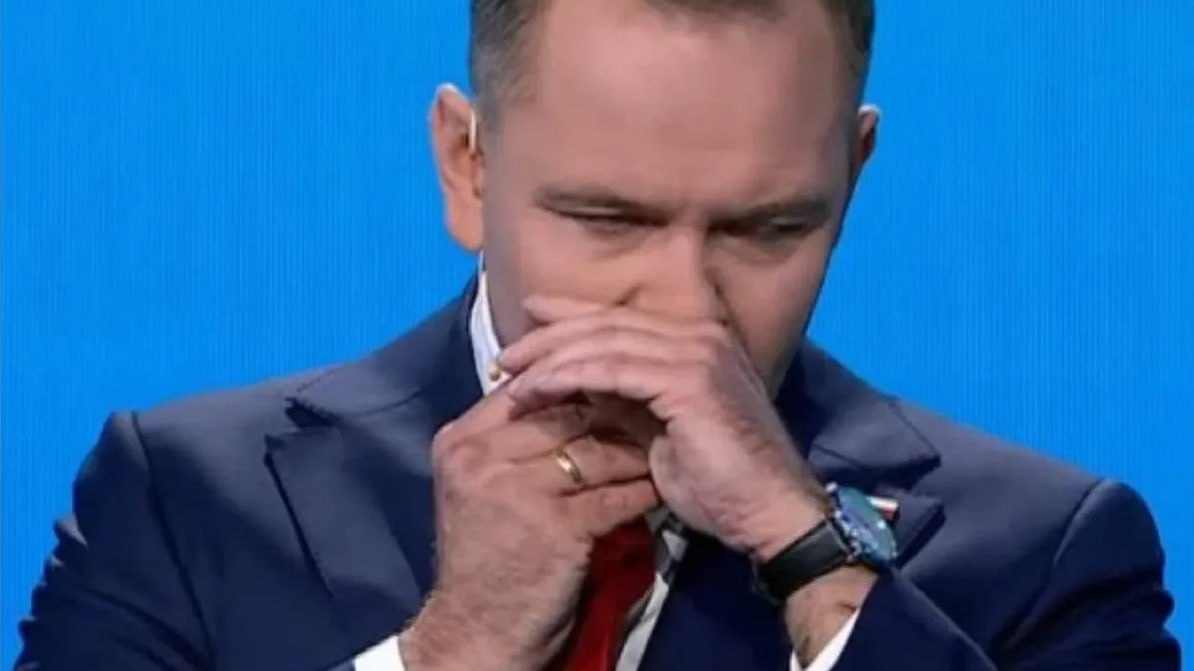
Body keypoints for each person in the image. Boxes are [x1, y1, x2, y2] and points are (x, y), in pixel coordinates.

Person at [14, 0, 1180, 669]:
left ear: (853, 176)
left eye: (768, 228)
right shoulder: (185, 501)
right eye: (607, 218)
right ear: (467, 165)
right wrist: (451, 649)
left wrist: (815, 564)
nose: (682, 306)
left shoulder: (1051, 554)